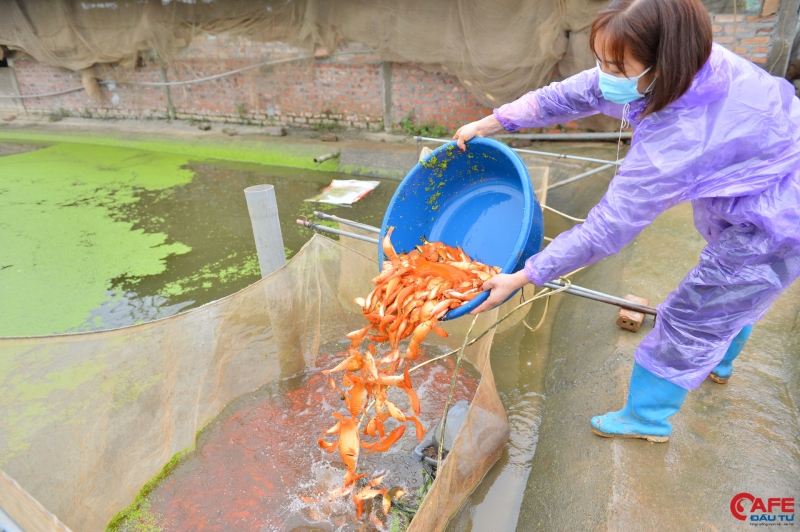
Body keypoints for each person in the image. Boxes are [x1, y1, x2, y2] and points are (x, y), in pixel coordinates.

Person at [454, 0, 800, 442]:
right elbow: (575, 92)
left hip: (779, 217)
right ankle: (720, 361)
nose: (604, 75)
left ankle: (647, 419)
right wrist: (492, 122)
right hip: (757, 175)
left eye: (616, 66)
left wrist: (524, 275)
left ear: (664, 63)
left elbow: (607, 229)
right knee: (736, 294)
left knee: (700, 310)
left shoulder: (676, 139)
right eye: (601, 60)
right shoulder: (689, 68)